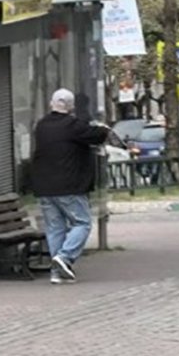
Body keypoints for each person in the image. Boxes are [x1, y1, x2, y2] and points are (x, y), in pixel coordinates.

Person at [31, 88, 109, 285]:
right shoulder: (73, 125)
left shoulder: (41, 126)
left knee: (55, 228)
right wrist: (103, 127)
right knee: (82, 223)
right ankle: (64, 258)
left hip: (45, 187)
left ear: (52, 103)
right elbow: (97, 135)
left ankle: (57, 273)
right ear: (71, 106)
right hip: (69, 186)